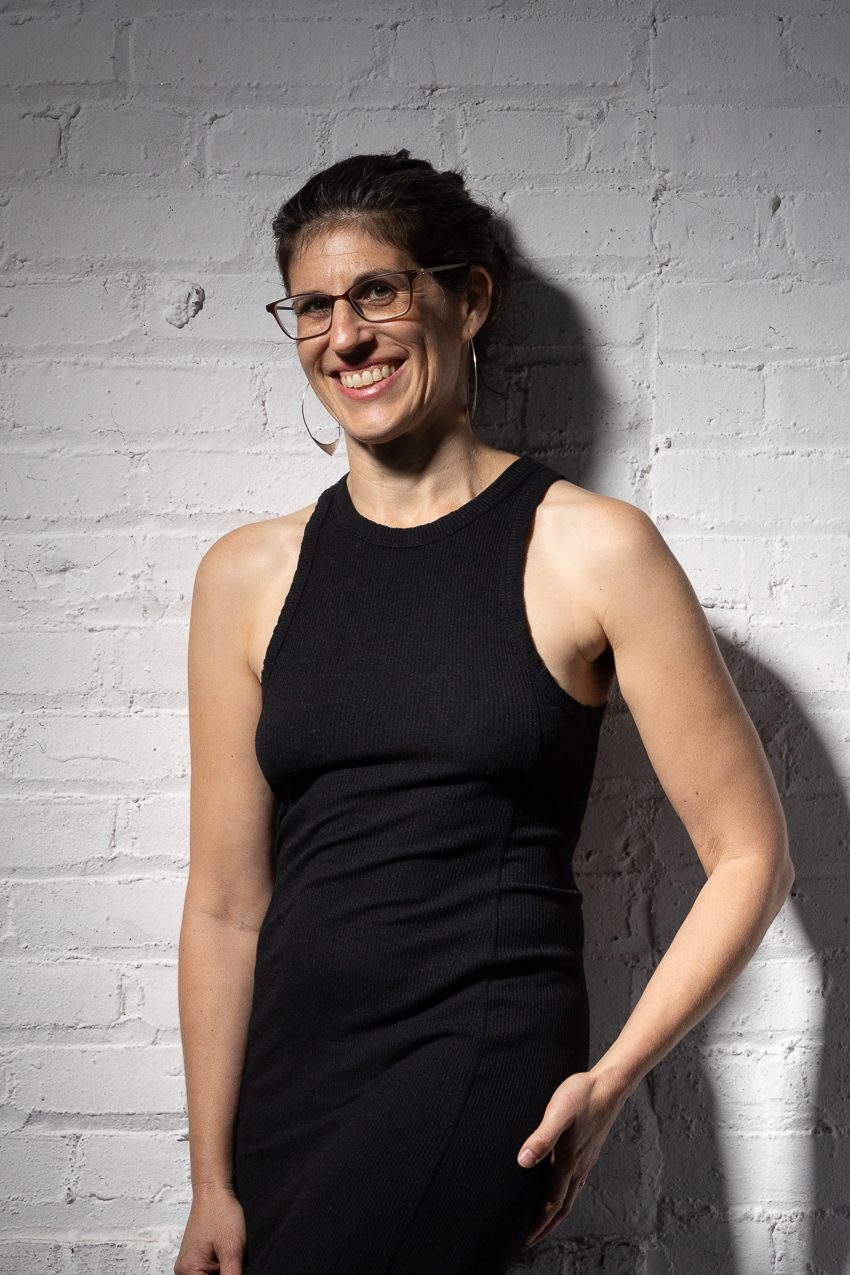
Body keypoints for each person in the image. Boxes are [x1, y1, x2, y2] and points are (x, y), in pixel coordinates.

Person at [173, 150, 794, 1275]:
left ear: (468, 300)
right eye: (311, 307)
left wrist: (612, 1079)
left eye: (377, 291)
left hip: (479, 1055)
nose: (343, 336)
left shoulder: (593, 549)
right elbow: (224, 905)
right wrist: (210, 1178)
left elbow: (751, 855)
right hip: (293, 1076)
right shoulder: (245, 577)